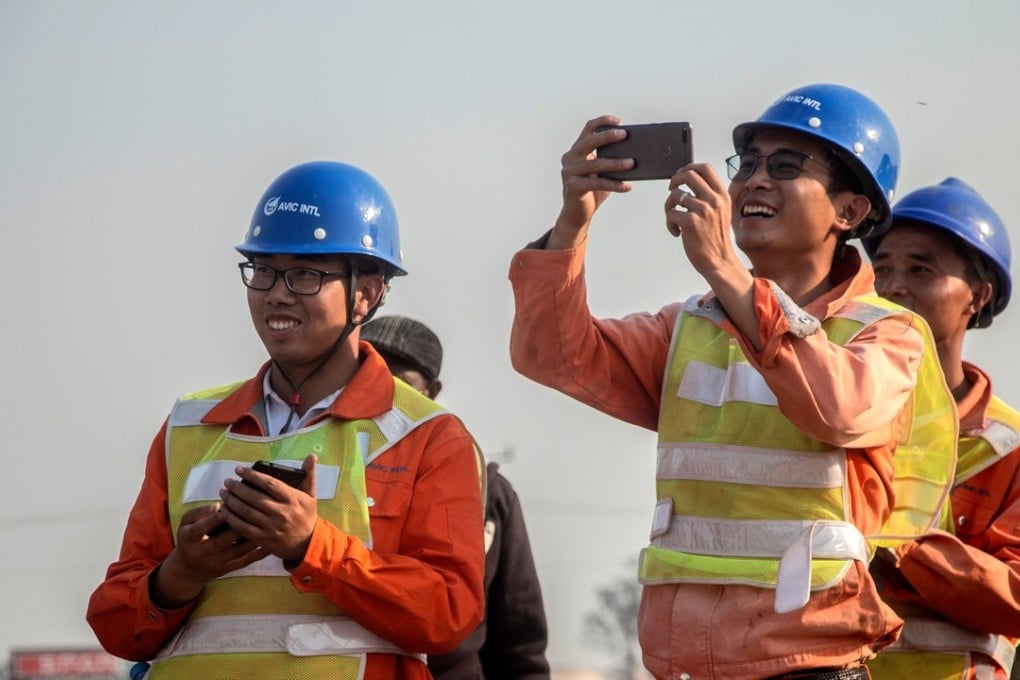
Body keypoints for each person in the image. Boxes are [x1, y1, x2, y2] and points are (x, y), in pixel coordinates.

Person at [507, 83, 959, 679]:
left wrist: (725, 269)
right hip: (688, 667)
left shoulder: (888, 335)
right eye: (747, 164)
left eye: (786, 166)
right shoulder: (691, 326)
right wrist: (572, 223)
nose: (755, 181)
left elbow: (838, 407)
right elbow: (551, 354)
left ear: (850, 212)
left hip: (812, 665)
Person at [86, 161, 486, 679]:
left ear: (366, 294)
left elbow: (449, 613)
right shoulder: (188, 428)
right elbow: (116, 624)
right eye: (263, 270)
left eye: (304, 274)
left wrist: (311, 547)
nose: (276, 292)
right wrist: (179, 575)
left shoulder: (428, 436)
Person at [862, 178, 1020, 680]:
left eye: (921, 269)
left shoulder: (1006, 448)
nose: (892, 286)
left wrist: (900, 547)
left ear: (978, 296)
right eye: (882, 268)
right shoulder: (836, 411)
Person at [361, 314, 552, 680]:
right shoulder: (324, 471)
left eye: (402, 385)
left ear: (432, 392)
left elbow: (519, 644)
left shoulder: (486, 491)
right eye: (370, 378)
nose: (385, 395)